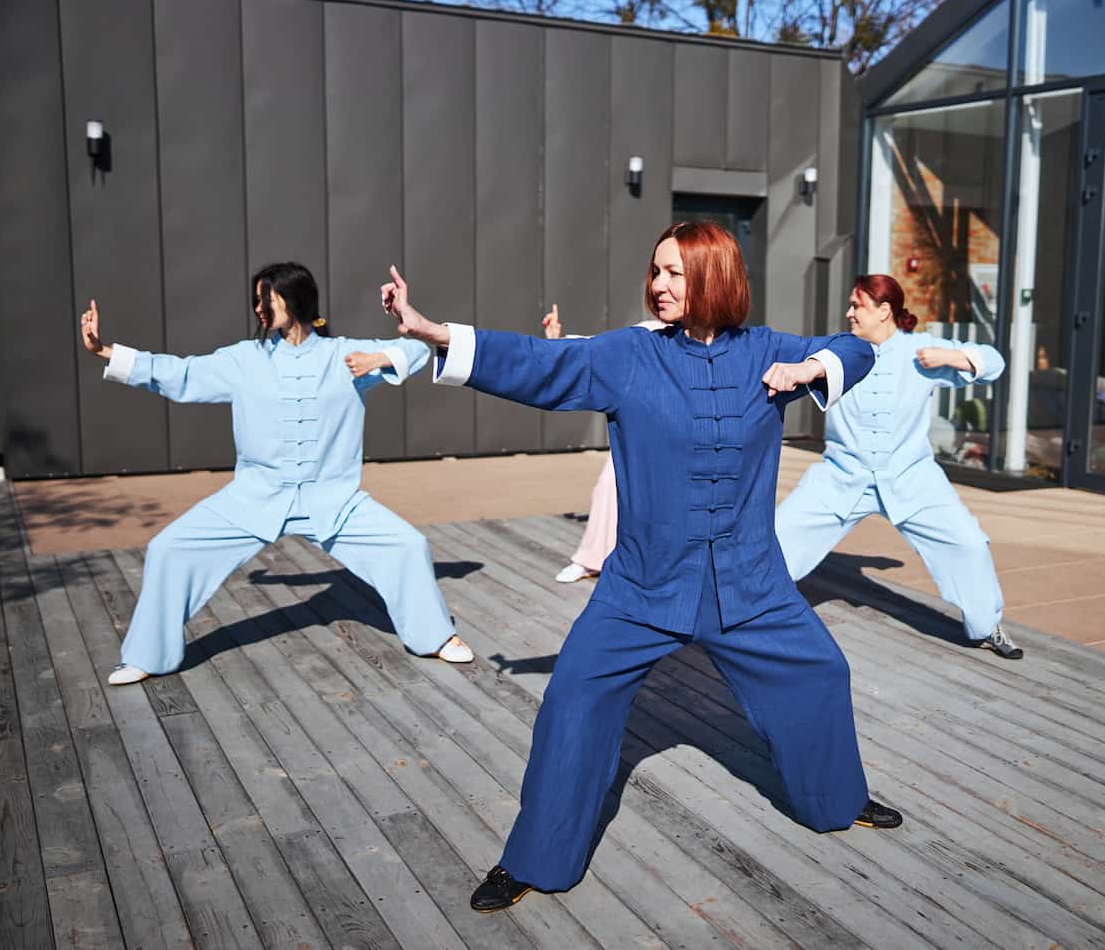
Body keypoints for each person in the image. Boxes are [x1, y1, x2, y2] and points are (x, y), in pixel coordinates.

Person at [380, 221, 902, 913]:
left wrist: (812, 370)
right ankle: (535, 857)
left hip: (750, 584)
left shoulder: (768, 352)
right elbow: (538, 363)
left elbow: (855, 349)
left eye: (674, 273)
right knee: (573, 698)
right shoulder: (629, 355)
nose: (657, 285)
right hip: (643, 585)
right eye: (654, 271)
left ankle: (837, 797)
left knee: (820, 671)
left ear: (715, 276)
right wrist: (431, 331)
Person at [80, 261, 473, 686]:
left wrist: (380, 356)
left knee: (409, 546)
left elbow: (417, 350)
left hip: (333, 500)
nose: (260, 307)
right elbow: (181, 373)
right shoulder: (244, 359)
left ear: (296, 298)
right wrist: (106, 351)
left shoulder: (344, 355)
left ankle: (434, 637)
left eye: (268, 297)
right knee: (168, 549)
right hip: (255, 496)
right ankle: (147, 655)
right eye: (256, 299)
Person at [775, 274, 1023, 659]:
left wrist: (952, 358)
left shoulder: (921, 349)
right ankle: (748, 615)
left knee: (968, 544)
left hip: (912, 476)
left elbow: (996, 362)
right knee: (777, 536)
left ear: (884, 311)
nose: (849, 313)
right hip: (842, 475)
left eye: (856, 305)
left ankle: (985, 626)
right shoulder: (840, 350)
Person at [538, 303, 668, 584]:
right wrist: (560, 341)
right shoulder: (646, 332)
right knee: (608, 486)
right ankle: (591, 559)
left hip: (685, 437)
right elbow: (599, 350)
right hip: (641, 435)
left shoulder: (711, 336)